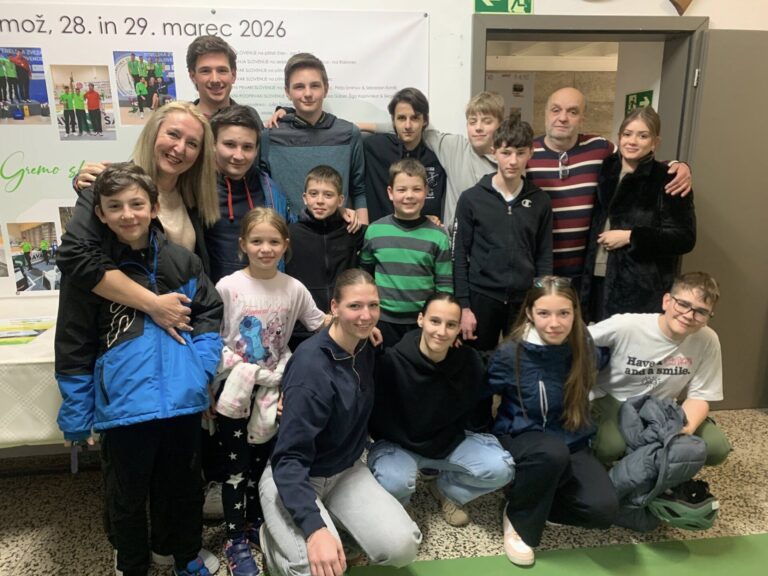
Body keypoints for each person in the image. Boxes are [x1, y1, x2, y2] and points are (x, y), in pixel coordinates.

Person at [55, 163, 223, 576]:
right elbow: (74, 341)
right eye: (115, 206)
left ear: (154, 208)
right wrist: (76, 411)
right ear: (100, 214)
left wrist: (201, 370)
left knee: (183, 488)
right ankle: (131, 563)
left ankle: (181, 554)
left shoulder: (182, 262)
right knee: (126, 495)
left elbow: (208, 314)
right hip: (124, 409)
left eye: (136, 204)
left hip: (182, 404)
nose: (127, 214)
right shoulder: (91, 273)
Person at [259, 269, 421, 576]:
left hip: (346, 470)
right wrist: (314, 528)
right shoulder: (311, 368)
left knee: (403, 547)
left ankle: (328, 528)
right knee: (315, 569)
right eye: (354, 306)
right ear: (334, 307)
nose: (366, 315)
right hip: (296, 475)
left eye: (373, 305)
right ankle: (272, 542)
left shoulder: (365, 345)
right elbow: (289, 458)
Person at [214, 207, 329, 576]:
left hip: (273, 391)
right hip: (234, 390)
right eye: (257, 241)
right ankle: (234, 538)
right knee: (235, 468)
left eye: (274, 241)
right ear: (243, 244)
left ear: (285, 245)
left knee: (263, 464)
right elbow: (211, 338)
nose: (265, 248)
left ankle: (255, 522)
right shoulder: (228, 286)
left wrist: (357, 321)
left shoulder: (293, 288)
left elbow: (321, 323)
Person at [58, 100, 219, 347]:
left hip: (179, 341)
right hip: (119, 340)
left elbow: (199, 285)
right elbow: (74, 255)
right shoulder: (107, 187)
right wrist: (153, 305)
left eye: (192, 143)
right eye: (173, 134)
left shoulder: (195, 200)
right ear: (153, 133)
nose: (180, 148)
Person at [486, 276, 618, 566]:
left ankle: (533, 494)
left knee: (603, 511)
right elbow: (482, 393)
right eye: (544, 313)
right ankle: (518, 517)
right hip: (522, 436)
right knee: (551, 452)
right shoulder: (511, 353)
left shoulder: (584, 345)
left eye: (563, 313)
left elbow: (611, 352)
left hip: (572, 439)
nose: (554, 323)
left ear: (575, 313)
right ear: (530, 313)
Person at [368, 293, 514, 527]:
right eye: (435, 321)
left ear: (458, 329)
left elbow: (501, 364)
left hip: (446, 443)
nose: (442, 331)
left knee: (501, 468)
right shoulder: (391, 362)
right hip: (399, 445)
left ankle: (449, 492)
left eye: (451, 325)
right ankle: (402, 504)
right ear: (421, 320)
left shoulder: (468, 361)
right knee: (393, 481)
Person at [526, 87, 692, 280]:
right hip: (539, 270)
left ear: (582, 118)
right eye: (556, 110)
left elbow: (634, 157)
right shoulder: (525, 154)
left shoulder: (599, 148)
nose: (562, 118)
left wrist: (678, 166)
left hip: (585, 273)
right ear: (545, 113)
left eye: (572, 112)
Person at [589, 271, 731, 468]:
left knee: (716, 447)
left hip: (661, 406)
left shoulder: (708, 339)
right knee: (609, 447)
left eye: (701, 311)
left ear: (708, 316)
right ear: (667, 301)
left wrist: (682, 432)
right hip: (615, 398)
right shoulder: (627, 325)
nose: (689, 316)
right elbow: (577, 339)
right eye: (683, 304)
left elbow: (700, 396)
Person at [580, 106, 696, 322]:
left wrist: (631, 236)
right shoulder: (606, 168)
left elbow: (684, 238)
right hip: (594, 280)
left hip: (640, 290)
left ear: (655, 142)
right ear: (619, 137)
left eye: (643, 136)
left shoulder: (669, 179)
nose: (632, 141)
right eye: (627, 134)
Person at [453, 114, 552, 351]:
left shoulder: (540, 201)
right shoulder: (471, 199)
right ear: (494, 151)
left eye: (520, 152)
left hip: (523, 300)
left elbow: (544, 257)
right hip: (481, 298)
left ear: (531, 153)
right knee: (477, 364)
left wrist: (540, 302)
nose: (513, 161)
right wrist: (464, 307)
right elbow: (459, 256)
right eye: (506, 152)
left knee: (519, 364)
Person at [261, 52, 368, 223]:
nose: (308, 93)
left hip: (338, 234)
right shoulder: (270, 136)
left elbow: (359, 190)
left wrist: (363, 233)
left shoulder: (349, 134)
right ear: (287, 92)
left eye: (315, 86)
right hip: (286, 235)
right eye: (299, 87)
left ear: (326, 89)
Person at [360, 158, 452, 346]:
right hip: (382, 321)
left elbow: (444, 286)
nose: (409, 196)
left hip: (423, 323)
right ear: (390, 192)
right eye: (402, 190)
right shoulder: (374, 231)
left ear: (426, 191)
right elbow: (365, 278)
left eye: (416, 189)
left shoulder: (438, 236)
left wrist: (441, 321)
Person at [206, 105, 291, 284]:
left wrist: (339, 213)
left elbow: (293, 228)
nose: (239, 156)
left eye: (247, 147)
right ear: (213, 144)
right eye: (229, 145)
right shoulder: (196, 189)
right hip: (211, 294)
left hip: (265, 293)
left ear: (257, 149)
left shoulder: (271, 190)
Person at [285, 165, 366, 349]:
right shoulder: (290, 234)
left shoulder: (351, 231)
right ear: (304, 197)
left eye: (328, 195)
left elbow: (382, 234)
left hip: (344, 323)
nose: (320, 201)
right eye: (313, 194)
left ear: (340, 200)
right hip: (301, 327)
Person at [363, 88, 446, 222]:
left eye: (414, 118)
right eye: (401, 118)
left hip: (422, 233)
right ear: (393, 121)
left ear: (425, 120)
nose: (408, 125)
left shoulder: (438, 156)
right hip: (382, 232)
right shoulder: (374, 148)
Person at [187, 35, 262, 126]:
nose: (215, 80)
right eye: (205, 71)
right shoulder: (184, 121)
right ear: (193, 76)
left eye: (222, 70)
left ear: (233, 75)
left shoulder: (249, 116)